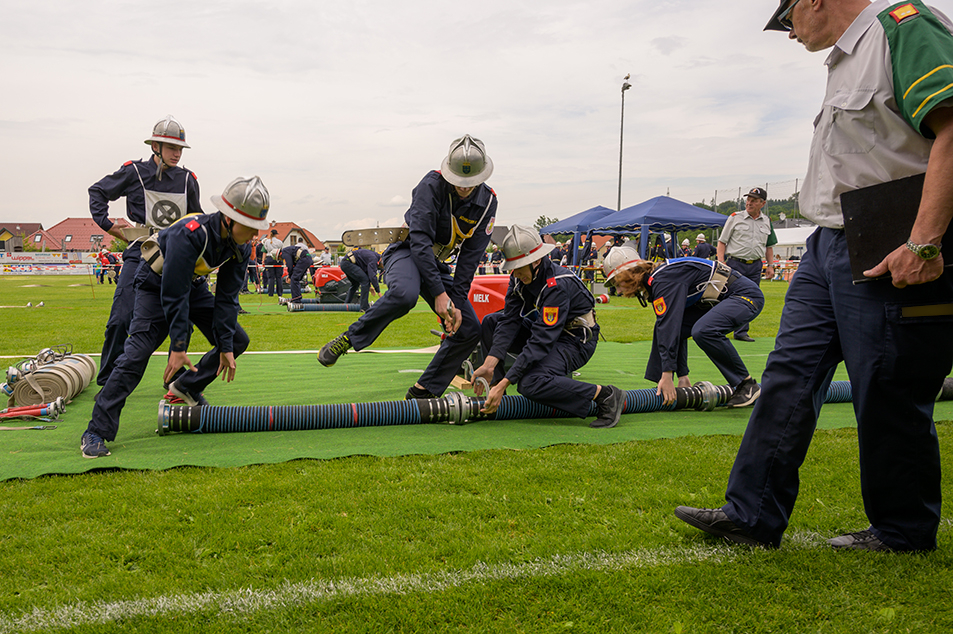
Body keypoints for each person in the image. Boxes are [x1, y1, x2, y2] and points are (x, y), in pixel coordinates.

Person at [675, 0, 953, 552]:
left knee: (886, 387)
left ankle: (903, 530)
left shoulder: (903, 27)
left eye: (787, 19)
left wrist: (923, 242)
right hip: (828, 242)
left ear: (814, 0)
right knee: (788, 375)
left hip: (890, 242)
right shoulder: (847, 58)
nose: (787, 33)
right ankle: (751, 516)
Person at [80, 176, 270, 458]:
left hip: (191, 287)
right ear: (228, 218)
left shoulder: (239, 247)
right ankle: (96, 431)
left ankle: (184, 387)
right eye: (251, 226)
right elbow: (173, 294)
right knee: (136, 353)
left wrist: (226, 346)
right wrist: (178, 347)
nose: (255, 235)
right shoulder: (190, 233)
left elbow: (227, 300)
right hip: (155, 284)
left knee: (238, 340)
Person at [318, 135, 498, 400]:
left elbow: (470, 259)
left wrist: (455, 303)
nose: (464, 188)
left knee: (470, 328)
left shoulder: (488, 203)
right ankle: (349, 339)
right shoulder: (431, 184)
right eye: (459, 181)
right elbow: (420, 242)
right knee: (405, 294)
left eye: (469, 183)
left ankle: (423, 392)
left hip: (437, 264)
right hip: (408, 253)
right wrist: (439, 292)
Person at [472, 225, 625, 428]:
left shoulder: (557, 285)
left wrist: (508, 379)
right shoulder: (519, 279)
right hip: (550, 333)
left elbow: (540, 341)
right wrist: (490, 365)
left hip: (576, 340)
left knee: (529, 383)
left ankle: (605, 395)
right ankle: (498, 396)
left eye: (518, 267)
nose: (515, 274)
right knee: (492, 321)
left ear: (535, 261)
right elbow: (509, 321)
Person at [88, 115, 202, 386]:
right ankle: (108, 380)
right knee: (120, 318)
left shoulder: (188, 180)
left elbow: (198, 220)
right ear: (155, 147)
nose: (177, 153)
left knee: (182, 321)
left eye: (180, 149)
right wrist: (108, 225)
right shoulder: (134, 171)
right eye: (171, 147)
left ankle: (174, 379)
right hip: (139, 250)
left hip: (175, 255)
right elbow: (97, 192)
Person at [605, 245, 764, 409]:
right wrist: (682, 375)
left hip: (745, 297)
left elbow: (669, 326)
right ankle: (675, 380)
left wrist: (667, 374)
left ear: (630, 274)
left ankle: (746, 385)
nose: (617, 289)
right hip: (726, 298)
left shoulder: (663, 280)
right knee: (671, 327)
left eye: (617, 281)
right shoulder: (660, 279)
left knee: (704, 331)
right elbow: (675, 327)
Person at [717, 187, 778, 342]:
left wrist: (770, 265)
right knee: (726, 297)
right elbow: (722, 242)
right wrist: (721, 262)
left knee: (750, 299)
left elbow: (769, 247)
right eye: (748, 200)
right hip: (735, 264)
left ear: (762, 203)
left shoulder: (766, 221)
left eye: (754, 200)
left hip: (755, 266)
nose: (749, 203)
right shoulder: (735, 218)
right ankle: (718, 329)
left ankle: (741, 332)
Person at [280, 238, 313, 303]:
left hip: (304, 259)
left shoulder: (284, 252)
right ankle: (298, 298)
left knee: (294, 279)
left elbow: (289, 265)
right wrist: (290, 275)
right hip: (307, 258)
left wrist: (289, 276)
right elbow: (293, 265)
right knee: (295, 279)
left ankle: (296, 300)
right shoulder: (289, 251)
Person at [261, 228, 284, 296]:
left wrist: (263, 260)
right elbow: (282, 252)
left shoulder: (266, 242)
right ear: (276, 235)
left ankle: (270, 293)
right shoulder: (279, 242)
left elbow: (264, 252)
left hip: (269, 259)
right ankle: (279, 293)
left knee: (270, 277)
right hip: (278, 259)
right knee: (279, 277)